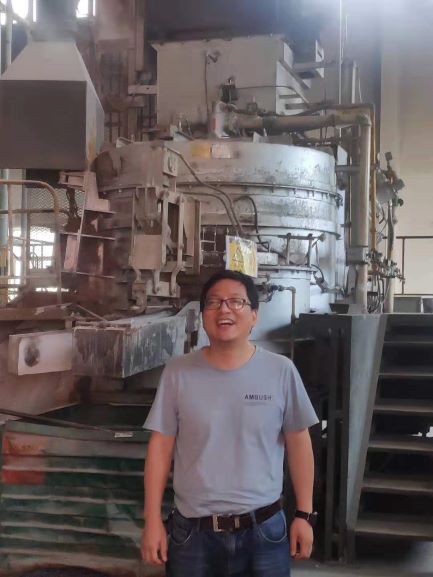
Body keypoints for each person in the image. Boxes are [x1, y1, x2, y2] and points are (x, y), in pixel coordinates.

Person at [142, 270, 318, 577]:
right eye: (213, 303)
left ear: (254, 315)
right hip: (193, 533)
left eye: (236, 302)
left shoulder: (281, 371)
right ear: (203, 316)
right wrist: (152, 521)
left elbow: (299, 442)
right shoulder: (178, 373)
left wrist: (304, 514)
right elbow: (160, 447)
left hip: (264, 531)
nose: (224, 309)